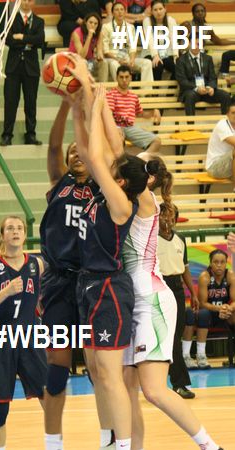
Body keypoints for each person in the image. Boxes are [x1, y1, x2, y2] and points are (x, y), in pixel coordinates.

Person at [70, 74, 157, 450]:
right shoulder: (111, 190)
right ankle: (109, 439)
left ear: (120, 181)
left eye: (115, 170)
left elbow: (95, 152)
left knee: (110, 374)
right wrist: (79, 107)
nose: (109, 167)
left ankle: (122, 445)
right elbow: (94, 150)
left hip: (109, 289)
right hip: (88, 285)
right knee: (95, 371)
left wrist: (95, 98)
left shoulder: (122, 204)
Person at [121, 153, 225, 450]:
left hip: (150, 301)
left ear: (145, 179)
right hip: (131, 301)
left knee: (153, 390)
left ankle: (210, 446)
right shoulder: (134, 197)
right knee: (126, 391)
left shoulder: (144, 200)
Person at [39, 97, 100, 450]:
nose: (76, 153)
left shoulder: (102, 188)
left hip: (92, 284)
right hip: (60, 283)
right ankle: (53, 441)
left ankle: (110, 435)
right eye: (73, 151)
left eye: (83, 150)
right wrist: (65, 106)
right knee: (58, 366)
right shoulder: (57, 184)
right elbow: (53, 146)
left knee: (99, 369)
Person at [0, 216, 47, 450]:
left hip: (29, 335)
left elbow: (42, 301)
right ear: (3, 235)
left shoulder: (37, 264)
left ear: (25, 234)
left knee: (50, 398)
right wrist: (4, 293)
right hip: (0, 338)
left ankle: (55, 445)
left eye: (19, 228)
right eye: (10, 228)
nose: (15, 232)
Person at [157, 203, 198, 399]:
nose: (168, 219)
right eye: (164, 215)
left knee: (175, 335)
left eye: (172, 216)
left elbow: (185, 269)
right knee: (165, 337)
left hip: (177, 289)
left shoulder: (181, 239)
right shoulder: (151, 240)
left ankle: (176, 383)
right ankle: (177, 383)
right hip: (158, 287)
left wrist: (193, 293)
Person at [0, 0, 45, 147]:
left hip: (31, 68)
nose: (26, 2)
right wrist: (27, 42)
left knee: (31, 103)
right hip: (13, 67)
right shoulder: (10, 19)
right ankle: (7, 134)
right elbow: (8, 40)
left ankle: (30, 134)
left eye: (29, 0)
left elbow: (39, 40)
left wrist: (21, 37)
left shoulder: (39, 21)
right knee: (10, 102)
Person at [183, 249, 235, 370]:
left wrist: (228, 308)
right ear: (210, 263)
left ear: (226, 263)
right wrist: (219, 308)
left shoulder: (230, 276)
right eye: (216, 262)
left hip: (225, 314)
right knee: (203, 314)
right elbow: (202, 303)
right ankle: (200, 355)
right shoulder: (205, 277)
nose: (219, 265)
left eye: (222, 262)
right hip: (209, 315)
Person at [106, 65, 161, 154]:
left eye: (127, 77)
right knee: (119, 140)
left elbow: (140, 113)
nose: (124, 80)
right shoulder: (111, 94)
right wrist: (116, 127)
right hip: (115, 127)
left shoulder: (133, 97)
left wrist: (153, 112)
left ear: (131, 78)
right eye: (121, 77)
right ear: (117, 78)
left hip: (130, 128)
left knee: (157, 141)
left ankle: (140, 161)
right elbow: (108, 114)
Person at [175, 34, 231, 116]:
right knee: (190, 96)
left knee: (225, 95)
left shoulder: (207, 58)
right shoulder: (181, 60)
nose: (196, 46)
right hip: (191, 90)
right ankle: (190, 127)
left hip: (206, 90)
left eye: (198, 44)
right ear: (189, 43)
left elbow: (213, 77)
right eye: (194, 43)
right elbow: (182, 81)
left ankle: (225, 124)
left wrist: (210, 87)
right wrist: (197, 88)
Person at [102, 2, 153, 82]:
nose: (120, 12)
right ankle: (122, 91)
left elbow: (132, 47)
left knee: (147, 63)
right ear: (112, 13)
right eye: (117, 10)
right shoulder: (106, 27)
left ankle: (146, 93)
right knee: (114, 64)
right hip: (112, 58)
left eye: (122, 9)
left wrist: (132, 60)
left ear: (125, 12)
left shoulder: (130, 27)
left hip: (126, 58)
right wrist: (118, 60)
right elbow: (106, 51)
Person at [141, 0, 177, 81]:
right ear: (151, 11)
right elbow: (149, 39)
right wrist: (155, 56)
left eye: (160, 9)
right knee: (157, 65)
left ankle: (169, 93)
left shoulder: (170, 20)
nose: (158, 12)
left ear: (165, 9)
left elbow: (174, 39)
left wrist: (175, 55)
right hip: (150, 53)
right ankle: (155, 92)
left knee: (178, 67)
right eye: (155, 10)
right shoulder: (147, 21)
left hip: (167, 53)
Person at [68, 12, 108, 81]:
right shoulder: (76, 33)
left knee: (103, 63)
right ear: (85, 22)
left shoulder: (99, 34)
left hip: (90, 61)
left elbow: (99, 50)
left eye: (96, 24)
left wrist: (99, 56)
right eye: (90, 22)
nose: (93, 25)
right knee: (85, 63)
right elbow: (81, 55)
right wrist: (89, 37)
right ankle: (87, 88)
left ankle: (103, 87)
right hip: (75, 60)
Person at [205, 98, 235, 188]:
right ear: (227, 114)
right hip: (214, 167)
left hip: (229, 165)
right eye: (233, 113)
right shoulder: (222, 125)